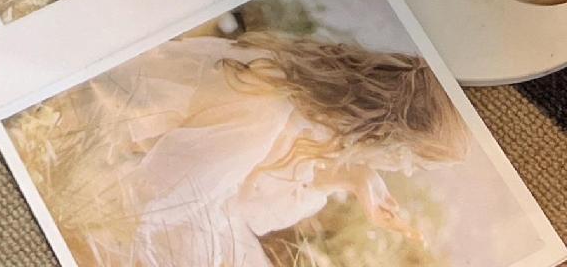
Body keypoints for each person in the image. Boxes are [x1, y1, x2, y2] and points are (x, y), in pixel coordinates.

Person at [25, 27, 471, 266]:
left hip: (152, 182)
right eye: (413, 160)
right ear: (389, 134)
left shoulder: (306, 104)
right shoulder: (268, 110)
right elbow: (159, 200)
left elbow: (243, 206)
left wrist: (350, 179)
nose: (403, 170)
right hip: (109, 161)